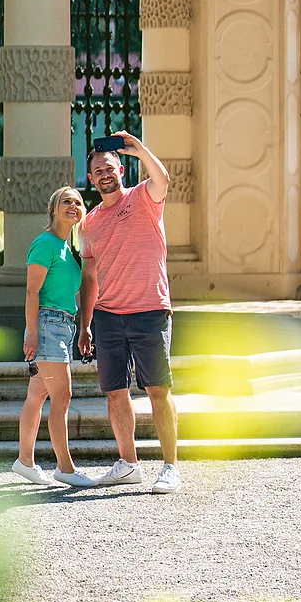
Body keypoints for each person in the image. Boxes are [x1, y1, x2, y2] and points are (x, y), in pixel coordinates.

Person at [78, 131, 180, 494]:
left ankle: (170, 467)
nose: (105, 175)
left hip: (149, 309)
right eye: (98, 171)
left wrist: (139, 149)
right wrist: (85, 325)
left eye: (110, 168)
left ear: (120, 170)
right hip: (108, 317)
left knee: (157, 390)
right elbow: (89, 277)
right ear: (91, 178)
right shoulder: (88, 224)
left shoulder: (143, 197)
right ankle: (128, 464)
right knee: (115, 393)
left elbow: (163, 179)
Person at [11, 185, 96, 488]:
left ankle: (25, 461)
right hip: (47, 325)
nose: (73, 206)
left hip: (64, 325)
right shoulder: (45, 243)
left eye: (78, 202)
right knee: (63, 396)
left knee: (37, 396)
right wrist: (32, 334)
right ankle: (65, 468)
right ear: (53, 209)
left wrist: (83, 327)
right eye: (66, 201)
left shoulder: (69, 250)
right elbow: (31, 292)